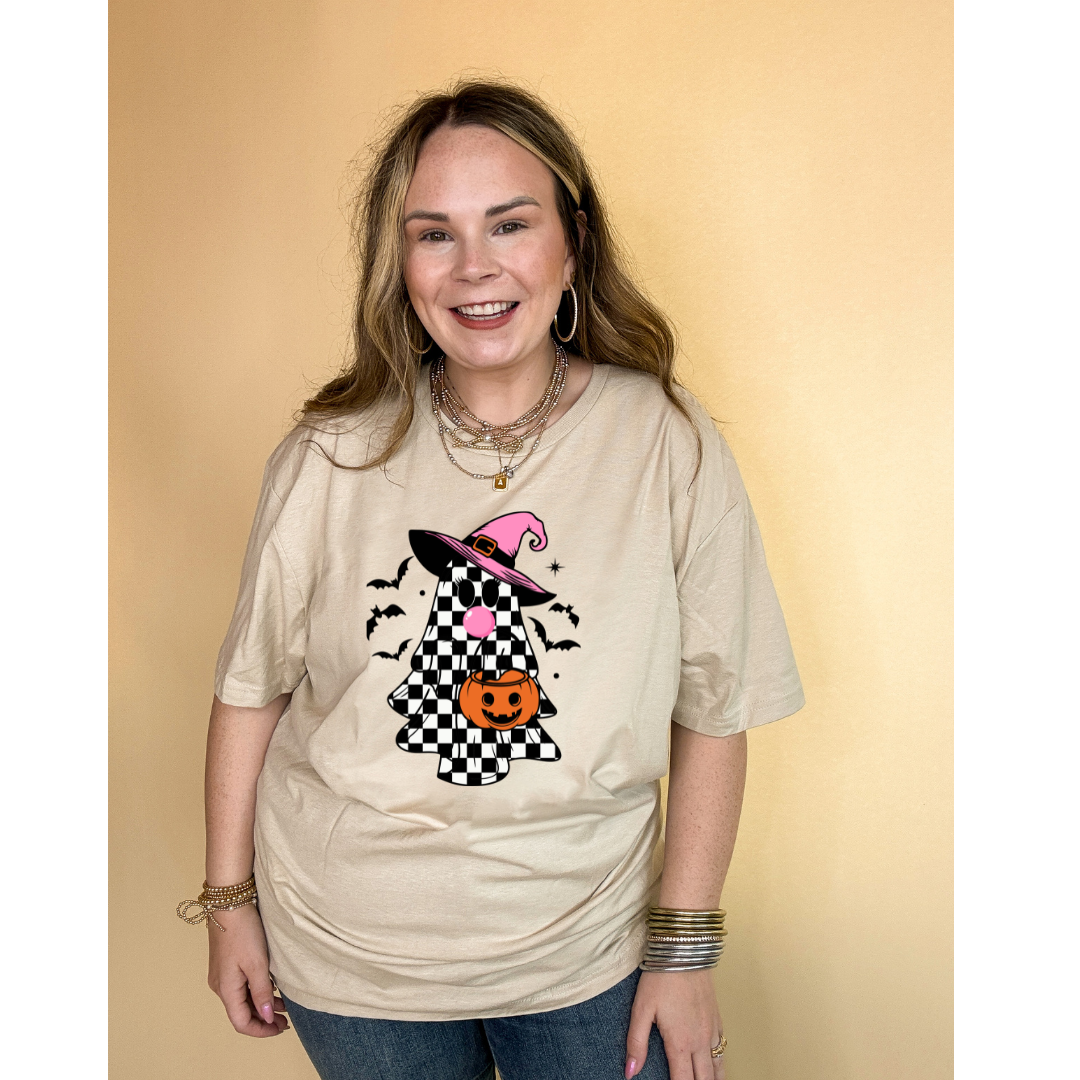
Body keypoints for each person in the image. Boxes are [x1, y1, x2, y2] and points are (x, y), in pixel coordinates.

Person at [179, 79, 804, 1080]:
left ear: (574, 243)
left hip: (589, 950)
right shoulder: (328, 454)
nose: (475, 267)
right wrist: (228, 905)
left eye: (510, 224)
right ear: (401, 266)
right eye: (435, 235)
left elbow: (716, 706)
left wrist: (685, 949)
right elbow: (252, 689)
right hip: (351, 957)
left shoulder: (663, 440)